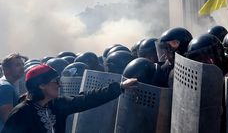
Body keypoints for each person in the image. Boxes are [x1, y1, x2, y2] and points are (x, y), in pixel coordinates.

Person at [1, 64, 137, 133]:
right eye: (55, 81)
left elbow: (86, 99)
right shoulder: (21, 113)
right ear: (41, 85)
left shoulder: (56, 105)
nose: (59, 84)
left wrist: (120, 87)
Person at [0, 54, 24, 131]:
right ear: (7, 70)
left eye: (22, 64)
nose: (22, 68)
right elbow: (8, 120)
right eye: (17, 65)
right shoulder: (6, 88)